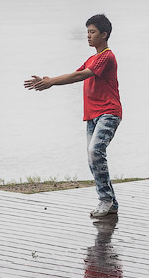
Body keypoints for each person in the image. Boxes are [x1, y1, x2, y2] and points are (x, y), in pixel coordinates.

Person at [24, 14, 122, 219]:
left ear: (104, 35)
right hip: (92, 114)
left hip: (108, 112)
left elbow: (80, 76)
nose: (88, 36)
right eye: (87, 32)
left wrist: (50, 82)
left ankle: (105, 199)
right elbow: (73, 75)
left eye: (92, 32)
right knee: (92, 157)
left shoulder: (106, 56)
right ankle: (110, 201)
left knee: (96, 152)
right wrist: (47, 80)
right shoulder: (91, 58)